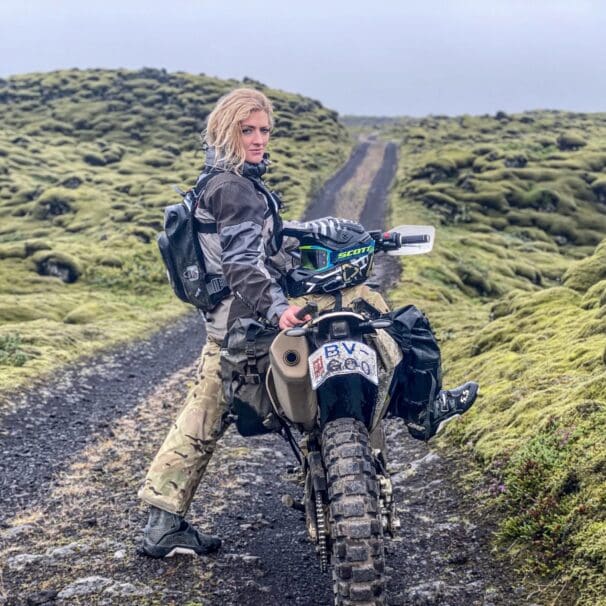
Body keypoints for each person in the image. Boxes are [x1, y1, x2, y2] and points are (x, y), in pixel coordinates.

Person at [138, 88, 478, 558]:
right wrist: (280, 308)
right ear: (225, 129)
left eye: (264, 130)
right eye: (247, 130)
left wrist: (306, 231)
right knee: (378, 309)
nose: (258, 140)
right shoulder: (235, 189)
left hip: (226, 321)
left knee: (204, 409)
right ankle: (423, 407)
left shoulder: (220, 180)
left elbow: (257, 238)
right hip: (250, 314)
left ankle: (162, 522)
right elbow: (241, 262)